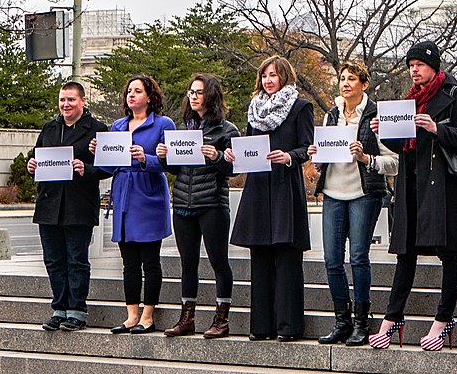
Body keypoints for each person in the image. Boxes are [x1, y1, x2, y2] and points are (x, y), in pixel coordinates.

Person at [368, 41, 457, 351]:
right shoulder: (409, 100)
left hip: (441, 183)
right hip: (411, 183)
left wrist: (436, 128)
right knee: (405, 251)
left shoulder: (454, 93)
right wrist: (382, 130)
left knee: (447, 250)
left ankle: (443, 321)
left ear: (434, 66)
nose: (414, 70)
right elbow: (404, 144)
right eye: (411, 65)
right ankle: (392, 318)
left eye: (420, 64)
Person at [309, 62, 398, 346]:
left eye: (352, 78)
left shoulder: (375, 116)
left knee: (358, 257)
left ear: (364, 84)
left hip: (364, 194)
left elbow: (394, 162)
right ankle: (342, 321)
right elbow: (323, 160)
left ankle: (362, 322)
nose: (345, 83)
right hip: (333, 193)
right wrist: (317, 157)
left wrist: (366, 159)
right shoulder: (331, 115)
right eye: (342, 78)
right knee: (331, 260)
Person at [227, 55, 314, 341]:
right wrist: (234, 156)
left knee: (286, 259)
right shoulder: (255, 109)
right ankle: (261, 326)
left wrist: (289, 156)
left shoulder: (301, 107)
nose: (268, 80)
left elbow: (307, 148)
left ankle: (288, 327)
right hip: (258, 189)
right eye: (264, 75)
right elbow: (249, 148)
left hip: (285, 186)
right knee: (260, 258)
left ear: (285, 77)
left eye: (273, 75)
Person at [156, 74, 240, 338]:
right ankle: (187, 318)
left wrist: (216, 156)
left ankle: (221, 319)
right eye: (190, 92)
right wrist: (163, 158)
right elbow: (175, 169)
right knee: (187, 263)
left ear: (211, 96)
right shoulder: (183, 130)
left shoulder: (227, 130)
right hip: (182, 203)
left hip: (212, 203)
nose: (192, 96)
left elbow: (233, 170)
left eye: (199, 92)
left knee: (218, 261)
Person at [90, 75, 175, 334]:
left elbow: (171, 163)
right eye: (129, 91)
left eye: (137, 91)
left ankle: (147, 316)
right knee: (128, 262)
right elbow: (109, 166)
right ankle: (131, 315)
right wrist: (97, 153)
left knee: (150, 260)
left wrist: (144, 158)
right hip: (124, 195)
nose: (131, 95)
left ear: (149, 96)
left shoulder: (163, 124)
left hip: (149, 195)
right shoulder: (117, 126)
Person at [27, 81, 108, 332]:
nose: (66, 105)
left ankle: (77, 310)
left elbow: (108, 167)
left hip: (78, 205)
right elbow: (38, 159)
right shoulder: (50, 128)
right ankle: (59, 308)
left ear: (83, 101)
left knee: (76, 260)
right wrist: (32, 168)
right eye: (62, 100)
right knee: (53, 260)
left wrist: (87, 169)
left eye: (71, 100)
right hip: (49, 205)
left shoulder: (97, 130)